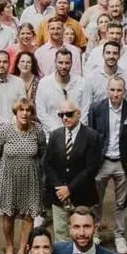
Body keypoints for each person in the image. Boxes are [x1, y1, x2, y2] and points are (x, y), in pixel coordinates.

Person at [88, 76, 127, 254]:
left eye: (119, 90)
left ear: (124, 91)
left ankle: (119, 235)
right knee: (96, 200)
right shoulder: (96, 109)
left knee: (121, 202)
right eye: (112, 90)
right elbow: (92, 135)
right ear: (107, 90)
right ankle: (95, 231)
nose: (115, 94)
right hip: (102, 161)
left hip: (122, 162)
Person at [0, 97, 46, 254]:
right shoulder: (5, 129)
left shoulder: (37, 130)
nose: (25, 113)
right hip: (8, 178)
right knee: (8, 215)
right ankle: (9, 248)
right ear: (15, 112)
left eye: (28, 110)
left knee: (29, 215)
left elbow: (43, 151)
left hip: (30, 178)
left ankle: (22, 251)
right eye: (21, 110)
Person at [43, 101, 102, 236]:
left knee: (83, 234)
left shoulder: (92, 136)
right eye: (61, 115)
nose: (65, 118)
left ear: (78, 114)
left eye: (69, 114)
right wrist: (59, 187)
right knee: (61, 233)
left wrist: (69, 189)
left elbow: (92, 168)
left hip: (82, 195)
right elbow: (48, 164)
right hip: (59, 196)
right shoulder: (55, 135)